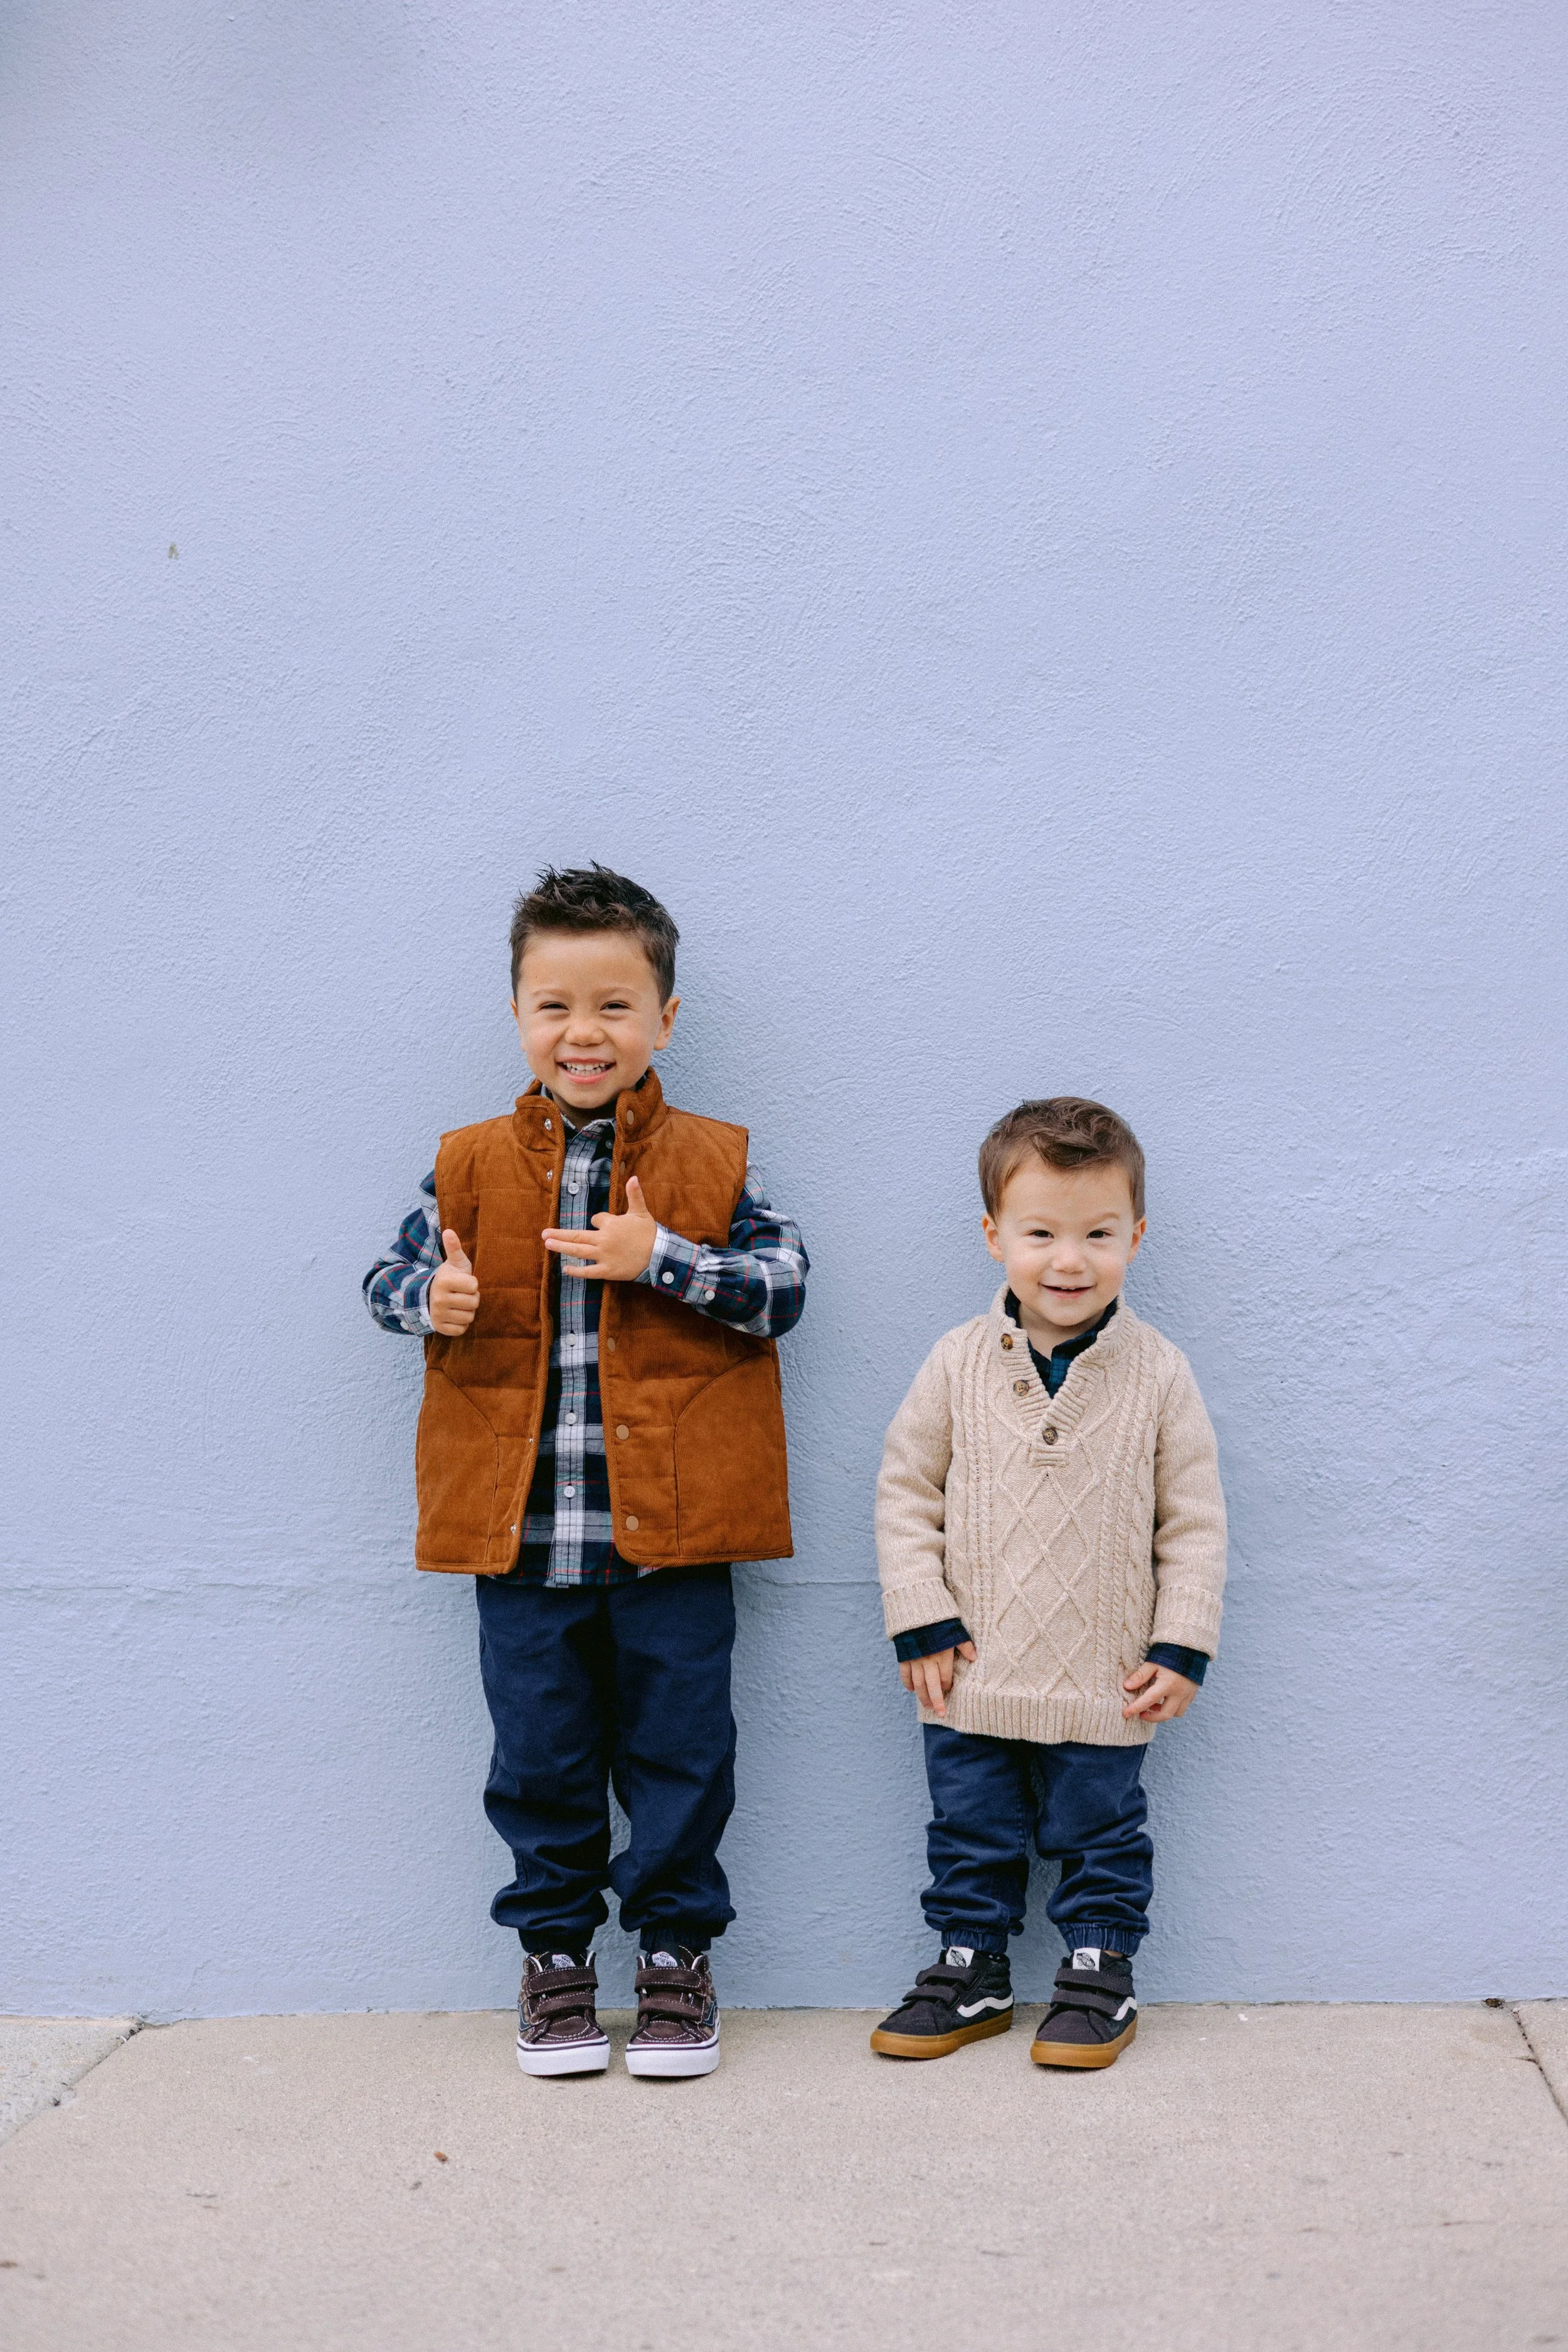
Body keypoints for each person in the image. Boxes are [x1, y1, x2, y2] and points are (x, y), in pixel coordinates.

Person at [364, 866, 807, 2079]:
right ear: (518, 1014)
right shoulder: (462, 1164)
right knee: (540, 1756)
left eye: (615, 1004)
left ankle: (674, 1953)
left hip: (670, 1540)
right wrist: (432, 1296)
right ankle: (555, 1956)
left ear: (664, 1019)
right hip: (519, 1546)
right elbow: (380, 1284)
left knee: (683, 1754)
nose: (584, 1031)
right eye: (555, 1004)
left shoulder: (715, 1162)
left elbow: (786, 1288)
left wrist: (660, 1253)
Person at [871, 1097, 1224, 2069]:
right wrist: (921, 1618)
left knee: (1102, 1832)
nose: (1069, 1260)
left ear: (1136, 1237)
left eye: (1097, 1234)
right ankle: (971, 1966)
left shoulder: (1158, 1373)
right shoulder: (955, 1362)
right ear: (995, 1237)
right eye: (1042, 1234)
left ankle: (1099, 1971)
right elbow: (905, 1492)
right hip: (970, 1669)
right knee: (970, 1830)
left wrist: (1180, 1642)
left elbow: (1193, 1519)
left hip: (1106, 1675)